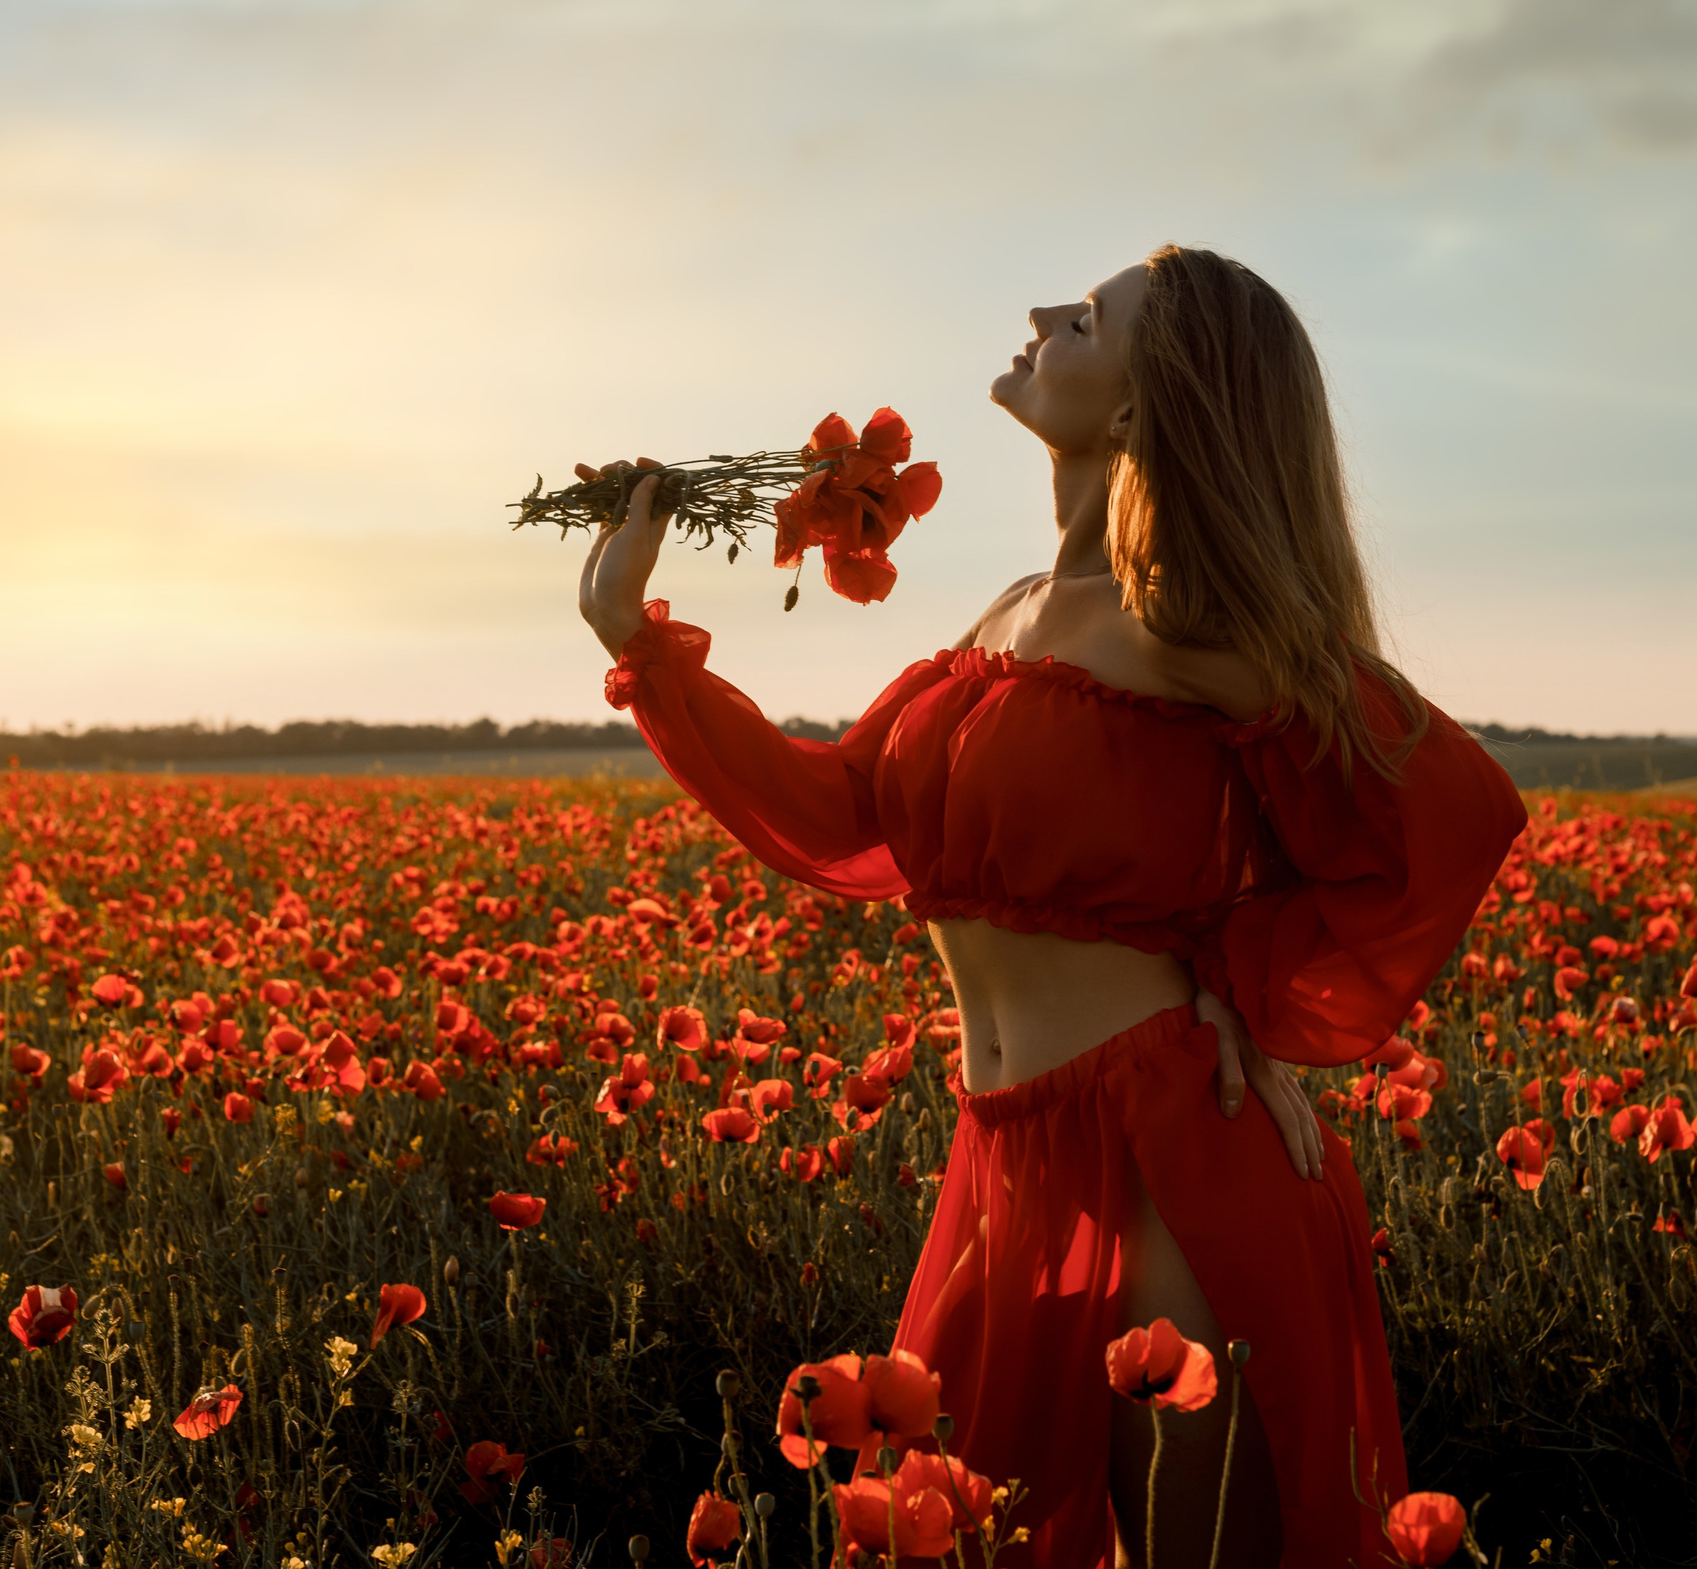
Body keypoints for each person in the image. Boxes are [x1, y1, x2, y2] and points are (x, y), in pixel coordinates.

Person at [577, 243, 1525, 1568]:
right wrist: (634, 634)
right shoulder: (1012, 613)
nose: (1037, 317)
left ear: (1142, 409)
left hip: (1166, 1156)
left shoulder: (1198, 626)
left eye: (1083, 319)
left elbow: (1449, 820)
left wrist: (1247, 983)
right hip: (1005, 1154)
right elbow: (841, 812)